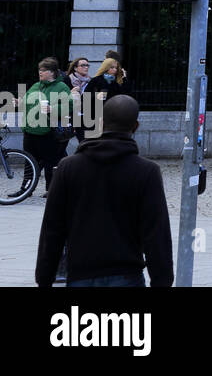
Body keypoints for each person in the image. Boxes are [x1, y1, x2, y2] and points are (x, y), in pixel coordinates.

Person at [35, 95, 173, 287]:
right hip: (127, 274)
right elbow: (156, 232)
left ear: (100, 122)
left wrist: (44, 277)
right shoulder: (146, 171)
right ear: (135, 126)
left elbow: (53, 228)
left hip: (80, 274)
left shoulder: (69, 167)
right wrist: (162, 281)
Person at [22, 57, 73, 196]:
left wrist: (53, 108)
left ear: (52, 72)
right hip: (30, 129)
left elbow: (70, 106)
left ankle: (51, 190)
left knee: (50, 162)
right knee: (29, 161)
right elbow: (26, 100)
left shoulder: (61, 86)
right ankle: (26, 189)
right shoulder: (36, 85)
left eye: (43, 70)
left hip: (47, 131)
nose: (40, 72)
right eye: (39, 70)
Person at [63, 57, 94, 142]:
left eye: (87, 65)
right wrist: (71, 92)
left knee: (87, 141)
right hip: (73, 116)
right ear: (75, 68)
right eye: (83, 65)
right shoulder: (67, 79)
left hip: (87, 116)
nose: (86, 67)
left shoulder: (91, 81)